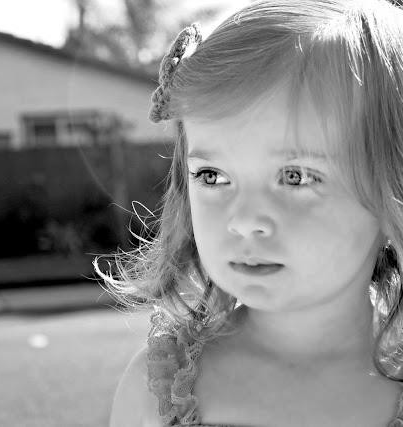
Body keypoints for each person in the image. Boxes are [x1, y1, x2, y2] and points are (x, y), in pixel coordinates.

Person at [94, 0, 403, 426]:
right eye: (213, 176)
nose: (243, 220)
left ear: (393, 189)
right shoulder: (158, 392)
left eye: (295, 177)